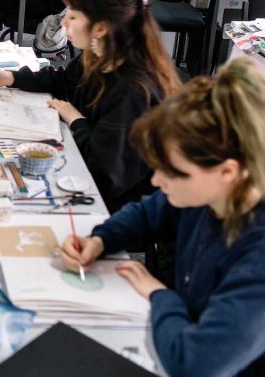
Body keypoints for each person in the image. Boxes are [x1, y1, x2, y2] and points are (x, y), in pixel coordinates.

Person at [61, 57, 265, 376]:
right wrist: (101, 239)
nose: (156, 181)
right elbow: (148, 212)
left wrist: (159, 296)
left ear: (228, 172)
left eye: (174, 173)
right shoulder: (208, 194)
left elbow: (195, 364)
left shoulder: (257, 261)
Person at [0, 0, 181, 212]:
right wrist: (12, 77)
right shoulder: (101, 55)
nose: (63, 22)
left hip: (114, 205)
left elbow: (104, 173)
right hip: (85, 164)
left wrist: (75, 119)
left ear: (101, 28)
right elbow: (63, 80)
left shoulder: (132, 90)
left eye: (73, 16)